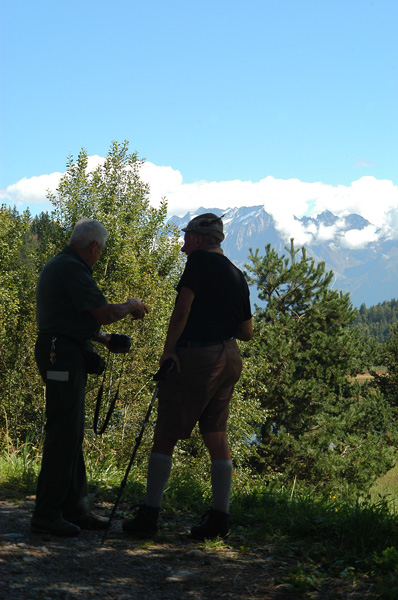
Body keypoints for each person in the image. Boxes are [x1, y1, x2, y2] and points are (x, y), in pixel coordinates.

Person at [123, 212, 252, 541]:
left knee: (166, 431)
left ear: (197, 239)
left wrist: (169, 352)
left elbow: (182, 310)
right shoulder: (237, 275)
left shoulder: (197, 264)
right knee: (216, 433)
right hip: (229, 357)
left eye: (186, 235)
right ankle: (219, 519)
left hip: (198, 357)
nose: (183, 240)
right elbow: (247, 332)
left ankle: (149, 514)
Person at [31, 218, 148, 537]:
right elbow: (105, 312)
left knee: (70, 430)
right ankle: (46, 515)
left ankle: (75, 508)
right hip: (60, 356)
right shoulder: (72, 268)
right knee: (62, 432)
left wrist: (104, 339)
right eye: (101, 250)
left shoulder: (62, 265)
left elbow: (72, 318)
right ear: (94, 246)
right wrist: (131, 305)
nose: (100, 256)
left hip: (61, 350)